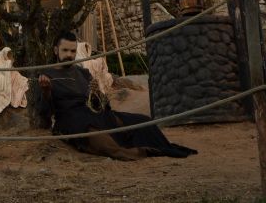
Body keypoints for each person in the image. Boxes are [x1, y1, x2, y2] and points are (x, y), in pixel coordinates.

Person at [38, 32, 196, 161]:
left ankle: (161, 147)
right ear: (55, 50)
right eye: (65, 50)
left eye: (72, 51)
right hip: (72, 120)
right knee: (104, 141)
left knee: (143, 122)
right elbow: (45, 114)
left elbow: (100, 105)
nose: (69, 55)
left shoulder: (83, 72)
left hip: (95, 114)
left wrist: (96, 93)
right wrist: (46, 91)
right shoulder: (47, 75)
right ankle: (136, 152)